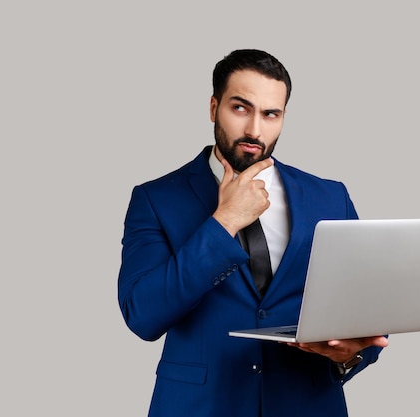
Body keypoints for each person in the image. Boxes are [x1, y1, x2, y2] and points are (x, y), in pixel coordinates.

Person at [117, 49, 389, 417]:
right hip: (200, 406)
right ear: (214, 108)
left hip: (307, 403)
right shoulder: (156, 198)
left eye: (270, 114)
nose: (254, 130)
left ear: (283, 118)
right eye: (240, 108)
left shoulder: (329, 196)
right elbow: (143, 315)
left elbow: (366, 310)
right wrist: (224, 221)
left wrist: (351, 353)